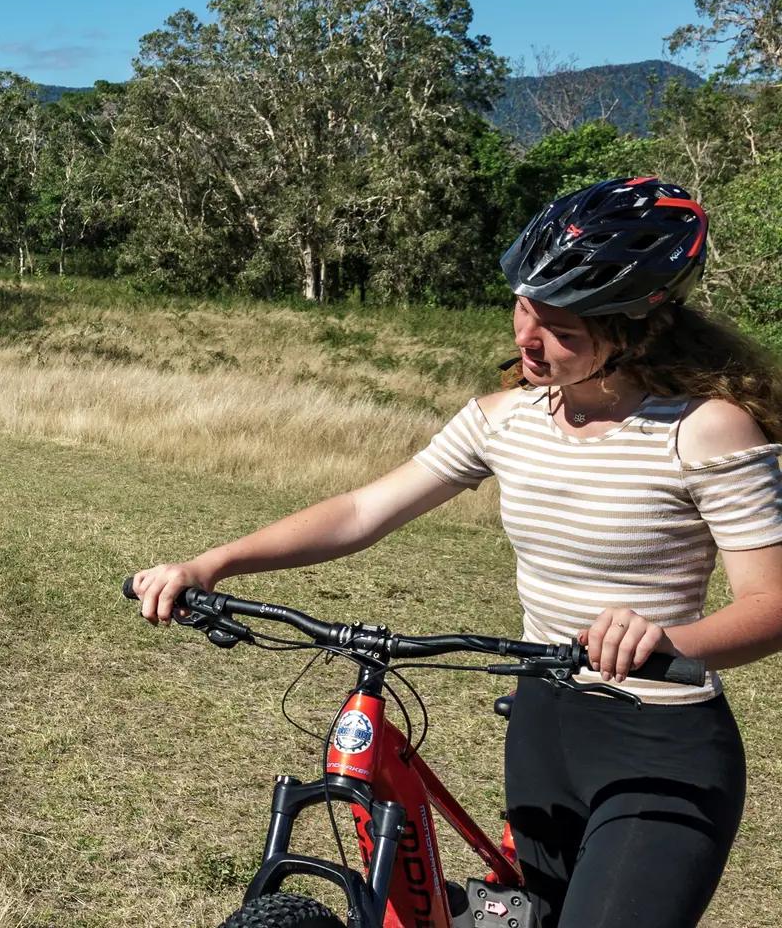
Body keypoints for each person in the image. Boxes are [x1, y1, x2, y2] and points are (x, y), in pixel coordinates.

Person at [130, 177, 782, 928]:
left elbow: (769, 606)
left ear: (643, 323)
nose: (527, 340)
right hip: (544, 727)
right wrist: (212, 563)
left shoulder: (705, 430)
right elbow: (362, 511)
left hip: (659, 750)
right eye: (523, 309)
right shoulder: (504, 419)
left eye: (562, 327)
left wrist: (667, 638)